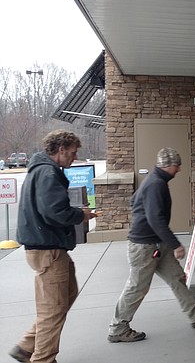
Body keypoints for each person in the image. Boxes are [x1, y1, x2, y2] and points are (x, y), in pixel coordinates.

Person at [107, 147, 195, 343]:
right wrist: (175, 244)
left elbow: (134, 201)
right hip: (144, 247)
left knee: (176, 277)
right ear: (168, 166)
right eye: (177, 166)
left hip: (155, 244)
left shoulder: (153, 181)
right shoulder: (156, 184)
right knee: (137, 287)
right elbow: (155, 219)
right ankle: (118, 328)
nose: (179, 169)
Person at [9, 130, 96, 363]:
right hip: (49, 250)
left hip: (47, 248)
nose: (74, 157)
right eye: (73, 152)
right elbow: (55, 212)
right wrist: (80, 215)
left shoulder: (41, 171)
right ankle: (42, 358)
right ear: (61, 149)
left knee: (66, 295)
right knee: (53, 310)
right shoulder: (47, 173)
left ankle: (26, 347)